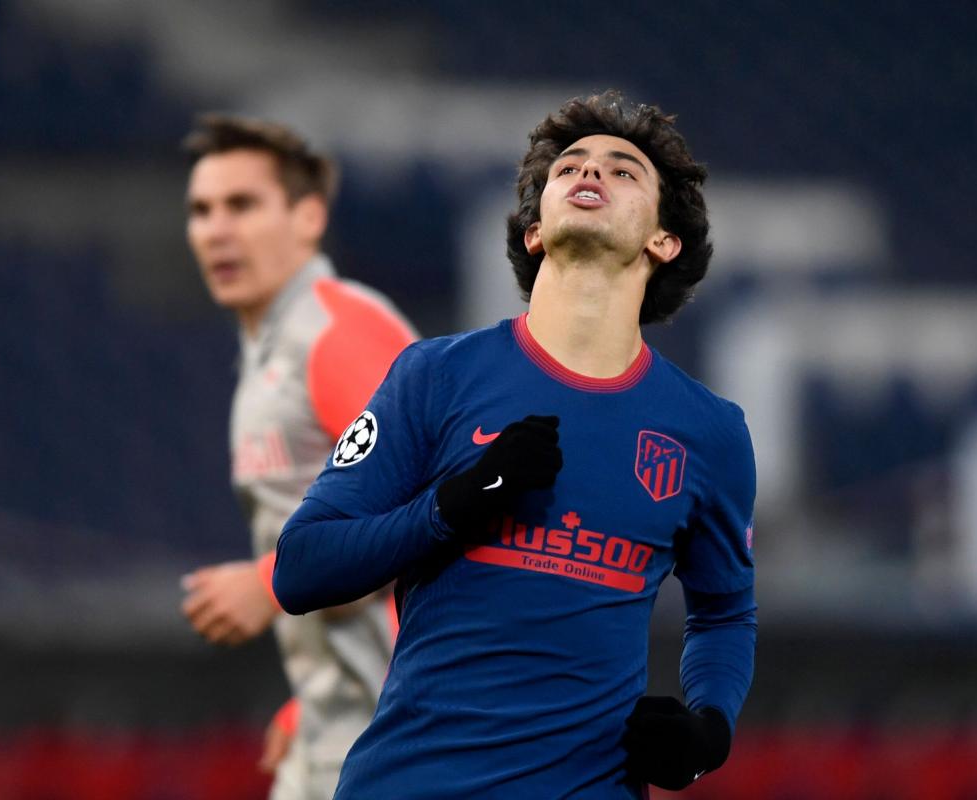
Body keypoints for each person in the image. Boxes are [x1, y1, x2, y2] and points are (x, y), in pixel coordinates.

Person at [274, 90, 757, 799]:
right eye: (570, 166)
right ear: (535, 231)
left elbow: (725, 612)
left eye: (623, 170)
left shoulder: (709, 432)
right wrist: (455, 505)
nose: (590, 172)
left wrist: (709, 731)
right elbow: (300, 568)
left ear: (664, 240)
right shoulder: (435, 376)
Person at [178, 113, 416, 800]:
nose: (216, 230)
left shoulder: (337, 333)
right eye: (201, 210)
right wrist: (315, 700)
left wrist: (270, 582)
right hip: (343, 719)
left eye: (242, 205)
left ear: (308, 216)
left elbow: (433, 507)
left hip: (403, 732)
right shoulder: (271, 350)